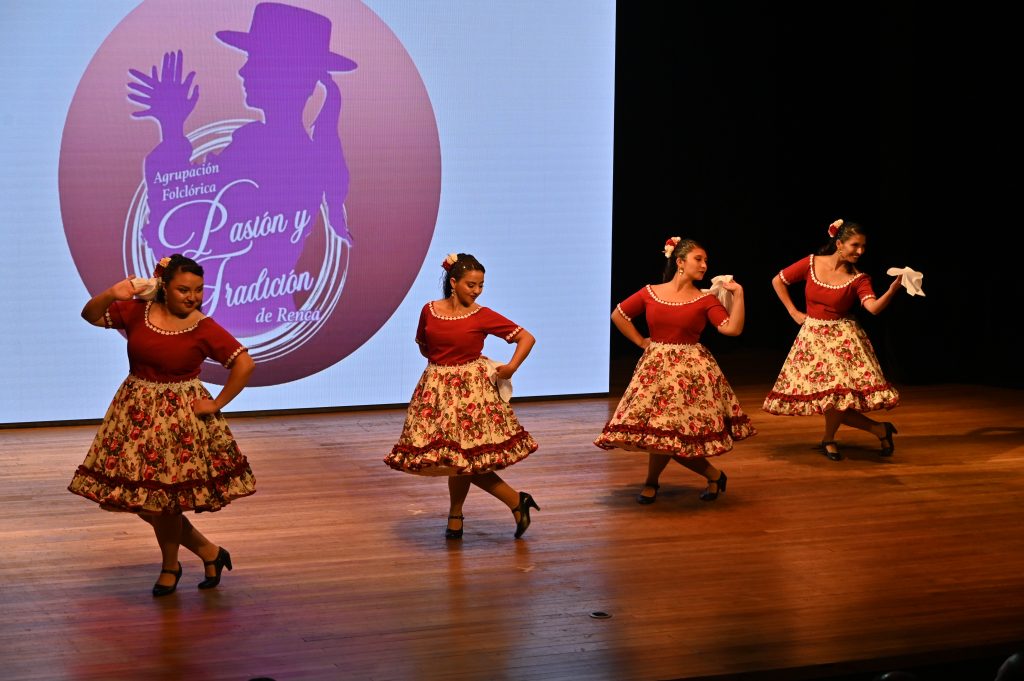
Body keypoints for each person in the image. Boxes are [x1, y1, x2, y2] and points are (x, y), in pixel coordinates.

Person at [68, 254, 257, 596]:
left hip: (178, 422)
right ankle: (209, 552)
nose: (192, 297)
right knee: (140, 499)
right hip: (136, 415)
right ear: (164, 288)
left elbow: (244, 364)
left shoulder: (203, 326)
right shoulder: (137, 313)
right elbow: (90, 315)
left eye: (198, 290)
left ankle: (171, 566)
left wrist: (216, 403)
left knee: (164, 501)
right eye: (184, 289)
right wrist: (111, 293)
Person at [384, 253, 540, 539]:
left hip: (471, 395)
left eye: (481, 285)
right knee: (454, 459)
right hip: (437, 391)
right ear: (453, 283)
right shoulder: (429, 310)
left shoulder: (482, 315)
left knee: (464, 458)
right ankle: (472, 512)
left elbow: (526, 337)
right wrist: (441, 370)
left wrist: (511, 367)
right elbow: (423, 345)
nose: (477, 290)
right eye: (471, 285)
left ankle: (505, 504)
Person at [594, 237, 756, 504]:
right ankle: (703, 477)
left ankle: (673, 480)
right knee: (659, 431)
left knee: (671, 433)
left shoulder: (705, 299)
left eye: (706, 261)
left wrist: (738, 295)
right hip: (656, 370)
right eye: (698, 259)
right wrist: (641, 342)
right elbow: (619, 315)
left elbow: (732, 329)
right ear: (680, 262)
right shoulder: (651, 292)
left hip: (690, 375)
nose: (704, 265)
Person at [762, 219, 903, 460]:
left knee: (836, 398)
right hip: (813, 339)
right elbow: (778, 280)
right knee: (830, 399)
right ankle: (879, 429)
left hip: (841, 341)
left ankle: (829, 439)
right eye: (855, 245)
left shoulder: (859, 278)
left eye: (863, 246)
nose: (860, 251)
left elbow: (873, 308)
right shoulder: (811, 263)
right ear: (839, 244)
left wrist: (892, 290)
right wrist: (793, 312)